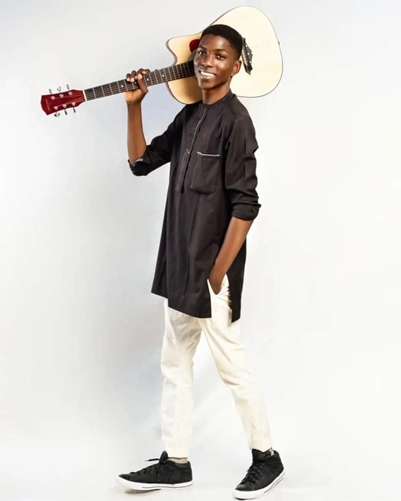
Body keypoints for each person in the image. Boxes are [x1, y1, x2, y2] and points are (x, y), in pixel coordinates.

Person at [116, 24, 284, 499]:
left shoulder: (237, 122)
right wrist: (134, 106)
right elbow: (140, 162)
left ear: (237, 65)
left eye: (220, 55)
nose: (207, 62)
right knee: (175, 363)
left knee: (231, 365)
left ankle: (267, 457)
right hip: (179, 266)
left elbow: (246, 205)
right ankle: (176, 461)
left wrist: (218, 271)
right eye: (202, 53)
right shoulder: (189, 116)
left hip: (212, 272)